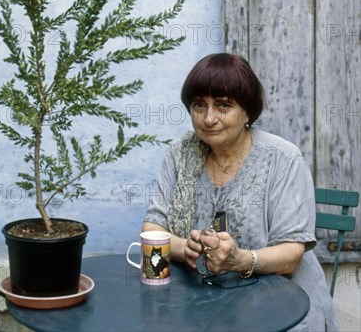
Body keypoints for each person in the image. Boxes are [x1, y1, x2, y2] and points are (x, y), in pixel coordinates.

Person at [143, 53, 338, 331]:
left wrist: (241, 260)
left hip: (286, 308)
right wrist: (184, 247)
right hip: (208, 303)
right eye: (199, 105)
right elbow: (153, 228)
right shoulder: (180, 153)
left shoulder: (282, 159)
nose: (209, 118)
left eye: (223, 106)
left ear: (248, 112)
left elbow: (292, 254)